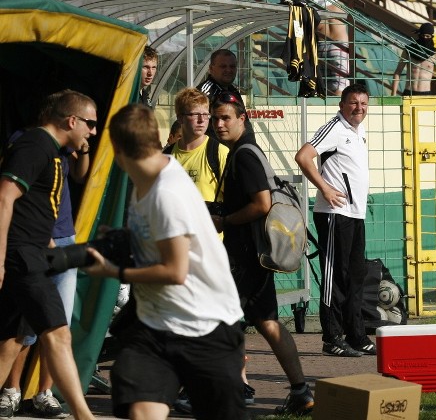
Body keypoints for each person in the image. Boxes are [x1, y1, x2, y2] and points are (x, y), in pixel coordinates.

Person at [83, 104, 246, 420]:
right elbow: (152, 237)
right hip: (155, 328)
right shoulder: (143, 179)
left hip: (205, 327)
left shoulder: (167, 193)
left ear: (117, 149)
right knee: (141, 411)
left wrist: (113, 271)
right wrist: (119, 238)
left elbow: (175, 271)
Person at [209, 92, 314, 416]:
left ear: (243, 119)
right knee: (267, 322)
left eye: (226, 118)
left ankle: (209, 390)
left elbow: (262, 204)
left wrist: (225, 220)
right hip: (250, 256)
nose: (219, 124)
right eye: (216, 118)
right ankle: (300, 391)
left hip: (244, 256)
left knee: (219, 322)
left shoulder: (245, 155)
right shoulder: (241, 152)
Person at [0, 90, 97, 420]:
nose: (93, 131)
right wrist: (0, 260)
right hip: (22, 258)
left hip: (34, 253)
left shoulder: (54, 153)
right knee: (58, 333)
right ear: (72, 120)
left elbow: (33, 212)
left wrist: (61, 254)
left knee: (13, 341)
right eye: (90, 123)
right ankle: (85, 416)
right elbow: (4, 199)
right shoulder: (34, 145)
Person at [167, 88, 253, 412]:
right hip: (178, 254)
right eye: (195, 114)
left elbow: (233, 200)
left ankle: (229, 383)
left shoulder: (219, 153)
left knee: (216, 320)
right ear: (181, 118)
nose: (204, 121)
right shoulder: (168, 156)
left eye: (207, 114)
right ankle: (204, 384)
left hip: (212, 254)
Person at [294, 84, 375, 358]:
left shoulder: (358, 131)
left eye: (363, 103)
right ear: (342, 105)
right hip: (334, 215)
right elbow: (303, 156)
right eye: (353, 103)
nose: (359, 108)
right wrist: (325, 189)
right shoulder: (334, 128)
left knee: (355, 275)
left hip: (355, 214)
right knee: (334, 276)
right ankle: (331, 337)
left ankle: (356, 335)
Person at [198, 49, 253, 138]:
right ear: (211, 69)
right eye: (223, 66)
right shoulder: (204, 93)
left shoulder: (233, 90)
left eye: (232, 66)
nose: (228, 70)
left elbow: (244, 124)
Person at [390, 23, 436, 96]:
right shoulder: (409, 51)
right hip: (409, 93)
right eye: (423, 35)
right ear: (419, 35)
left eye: (427, 36)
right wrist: (393, 94)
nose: (425, 38)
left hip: (425, 94)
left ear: (431, 36)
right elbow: (398, 72)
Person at [314, 0, 351, 97]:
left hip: (321, 47)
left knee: (324, 85)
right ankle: (337, 112)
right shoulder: (338, 6)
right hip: (338, 46)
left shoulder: (315, 11)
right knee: (340, 85)